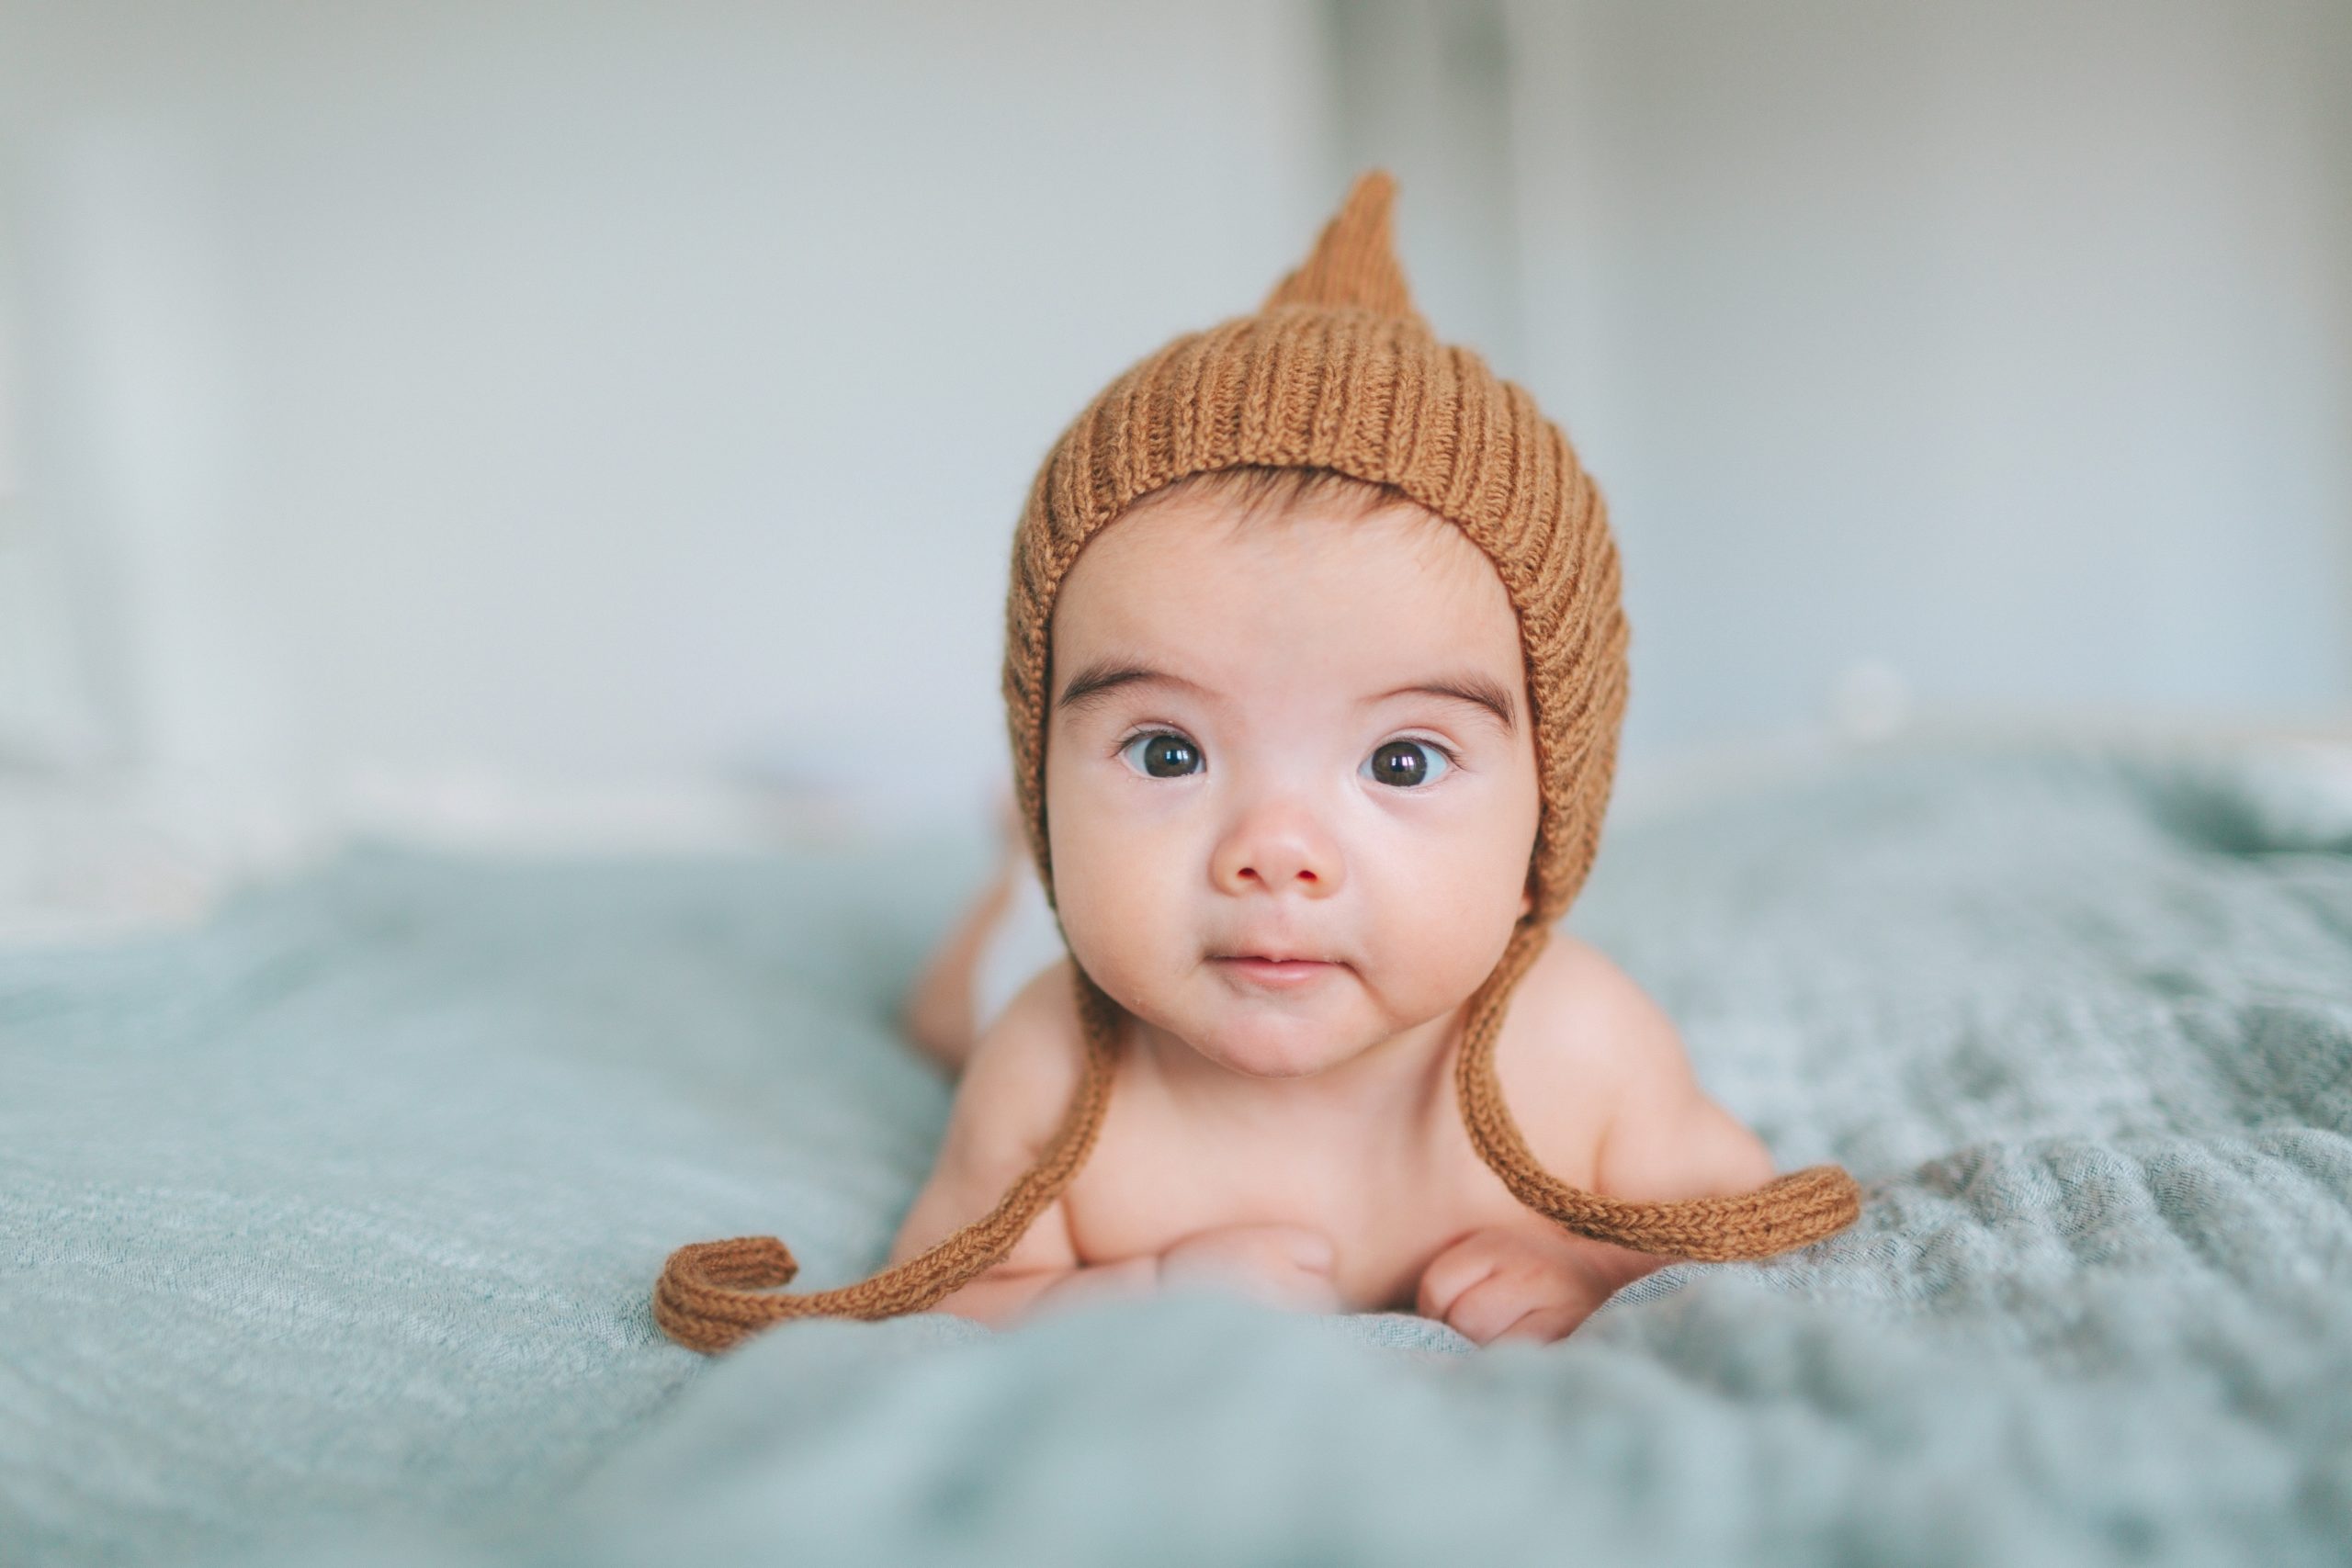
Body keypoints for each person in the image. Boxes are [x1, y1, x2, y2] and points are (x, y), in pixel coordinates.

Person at [654, 171, 1860, 1354]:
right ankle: (1014, 873)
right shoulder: (1053, 1062)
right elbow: (952, 1298)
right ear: (1042, 759)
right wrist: (1136, 1291)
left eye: (1399, 762)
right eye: (1167, 751)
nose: (1272, 850)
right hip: (1049, 947)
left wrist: (1583, 1268)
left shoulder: (1582, 1051)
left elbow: (1738, 1233)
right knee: (950, 1001)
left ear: (1556, 808)